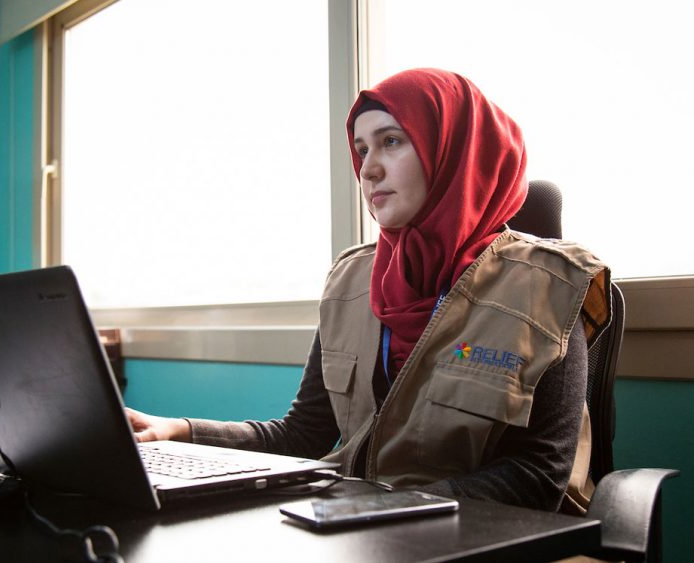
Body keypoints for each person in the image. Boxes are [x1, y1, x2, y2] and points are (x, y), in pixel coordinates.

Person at [127, 68, 611, 514]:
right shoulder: (351, 282)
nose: (368, 169)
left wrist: (385, 508)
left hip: (485, 538)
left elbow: (538, 476)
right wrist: (181, 431)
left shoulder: (551, 286)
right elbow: (303, 433)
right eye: (361, 150)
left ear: (454, 150)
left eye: (392, 142)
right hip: (363, 530)